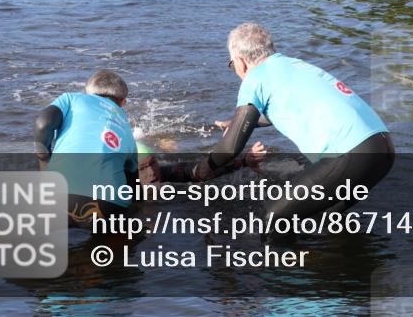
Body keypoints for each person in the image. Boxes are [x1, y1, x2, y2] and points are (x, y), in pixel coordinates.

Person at [162, 22, 394, 226]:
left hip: (351, 154)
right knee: (324, 221)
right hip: (383, 149)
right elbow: (289, 109)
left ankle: (283, 274)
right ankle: (331, 271)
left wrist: (202, 169)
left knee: (274, 219)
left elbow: (229, 150)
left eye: (232, 66)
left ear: (240, 62)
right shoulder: (294, 65)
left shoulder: (255, 78)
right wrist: (240, 123)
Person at [33, 70, 143, 227]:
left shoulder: (71, 99)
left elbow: (42, 124)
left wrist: (43, 159)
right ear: (123, 102)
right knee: (110, 243)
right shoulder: (127, 130)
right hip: (108, 205)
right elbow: (134, 187)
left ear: (87, 92)